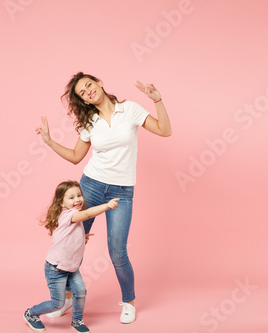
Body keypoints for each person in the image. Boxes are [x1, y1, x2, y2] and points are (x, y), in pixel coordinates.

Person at [35, 72, 172, 324]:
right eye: (82, 93)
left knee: (118, 251)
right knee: (72, 243)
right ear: (84, 101)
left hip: (122, 190)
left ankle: (128, 302)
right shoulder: (90, 122)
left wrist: (158, 100)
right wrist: (49, 141)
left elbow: (165, 130)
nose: (88, 92)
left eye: (89, 85)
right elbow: (77, 156)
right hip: (91, 187)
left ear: (99, 83)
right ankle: (65, 298)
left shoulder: (129, 109)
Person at [24, 180, 119, 332]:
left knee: (81, 291)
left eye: (79, 195)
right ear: (62, 202)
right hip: (56, 269)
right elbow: (87, 214)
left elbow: (68, 236)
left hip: (71, 267)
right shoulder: (68, 215)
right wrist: (106, 206)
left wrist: (82, 237)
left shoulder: (72, 216)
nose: (77, 200)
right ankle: (31, 313)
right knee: (57, 303)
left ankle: (77, 321)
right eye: (71, 197)